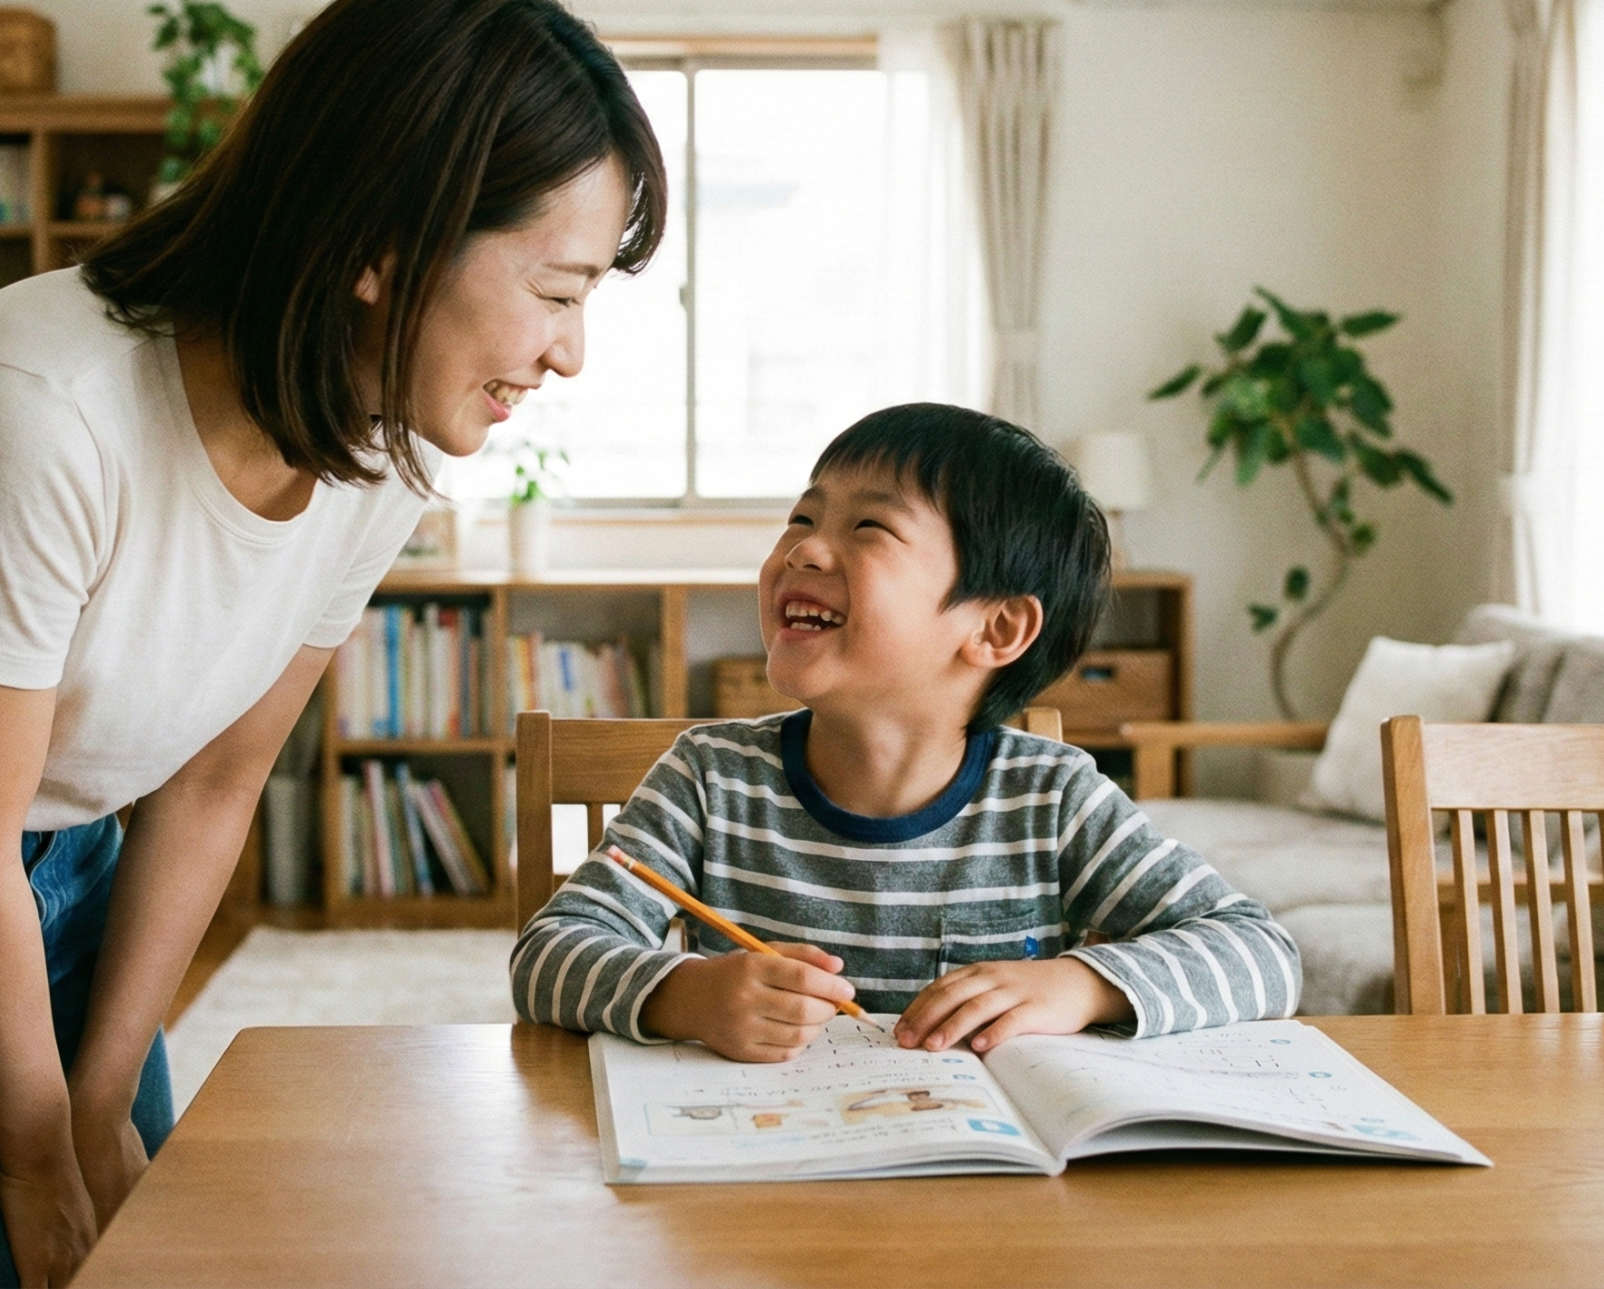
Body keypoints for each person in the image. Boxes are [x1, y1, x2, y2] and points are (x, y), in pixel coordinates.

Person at [0, 0, 664, 1288]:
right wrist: (35, 1162)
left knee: (132, 1236)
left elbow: (213, 782)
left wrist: (97, 1096)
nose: (572, 353)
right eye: (557, 290)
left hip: (60, 840)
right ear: (383, 245)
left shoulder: (381, 449)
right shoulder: (36, 415)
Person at [511, 404, 1299, 1062]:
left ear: (996, 628)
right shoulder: (710, 779)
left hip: (981, 1201)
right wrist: (683, 997)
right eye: (804, 516)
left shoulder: (1053, 797)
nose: (803, 548)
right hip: (757, 1182)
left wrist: (1080, 985)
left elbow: (1263, 955)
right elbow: (547, 958)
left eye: (869, 528)